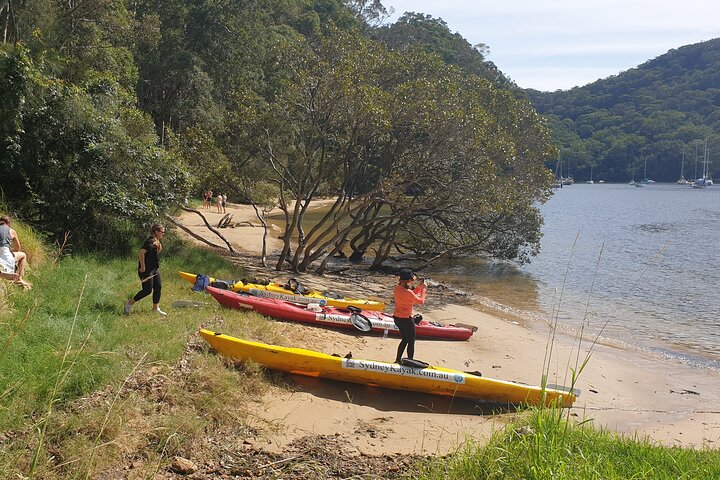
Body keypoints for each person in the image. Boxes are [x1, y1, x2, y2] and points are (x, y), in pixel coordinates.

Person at [124, 224, 167, 315]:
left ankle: (155, 308)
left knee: (158, 287)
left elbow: (155, 253)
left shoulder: (156, 241)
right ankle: (129, 303)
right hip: (146, 270)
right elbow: (141, 253)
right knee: (147, 290)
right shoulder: (150, 242)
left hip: (155, 269)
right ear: (156, 232)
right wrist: (142, 266)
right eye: (162, 232)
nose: (163, 234)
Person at [392, 269, 426, 364]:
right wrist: (424, 290)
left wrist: (419, 287)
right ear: (409, 280)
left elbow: (411, 295)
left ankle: (398, 360)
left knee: (405, 339)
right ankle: (410, 362)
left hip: (397, 318)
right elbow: (421, 301)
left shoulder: (397, 288)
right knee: (411, 341)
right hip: (406, 320)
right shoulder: (408, 292)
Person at [0, 215, 32, 290]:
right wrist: (10, 250)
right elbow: (17, 248)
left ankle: (1, 273)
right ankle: (19, 278)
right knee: (23, 255)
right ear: (8, 223)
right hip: (5, 253)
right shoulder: (11, 231)